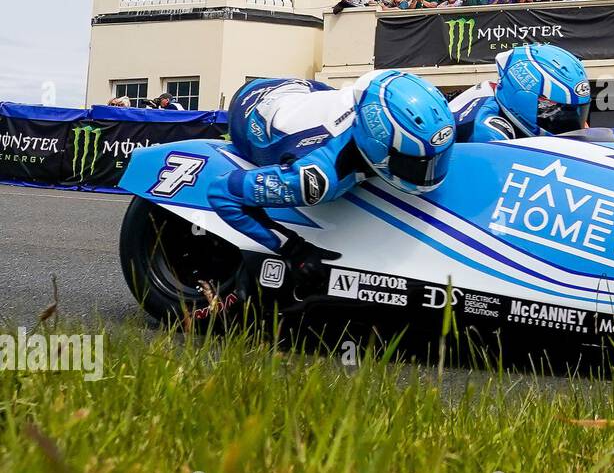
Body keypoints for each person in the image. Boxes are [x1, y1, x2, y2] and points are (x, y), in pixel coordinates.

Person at [209, 72, 455, 291]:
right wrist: (292, 248)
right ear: (377, 147)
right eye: (415, 164)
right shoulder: (318, 178)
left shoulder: (372, 104)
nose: (429, 172)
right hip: (253, 108)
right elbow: (221, 192)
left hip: (304, 90)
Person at [449, 44, 591, 142]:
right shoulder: (489, 132)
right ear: (524, 99)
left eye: (578, 112)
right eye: (561, 113)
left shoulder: (575, 125)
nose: (573, 124)